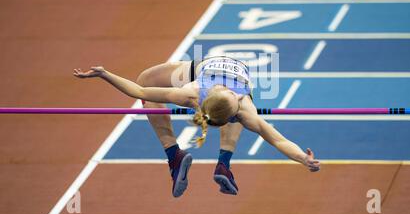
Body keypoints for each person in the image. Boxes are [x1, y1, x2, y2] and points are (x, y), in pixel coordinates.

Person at [73, 56, 320, 198]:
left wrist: (106, 73)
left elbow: (139, 90)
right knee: (148, 87)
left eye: (230, 93)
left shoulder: (193, 94)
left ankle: (174, 155)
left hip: (200, 67)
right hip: (210, 75)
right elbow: (277, 139)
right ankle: (223, 162)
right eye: (228, 92)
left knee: (147, 82)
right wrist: (105, 74)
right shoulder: (237, 105)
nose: (228, 89)